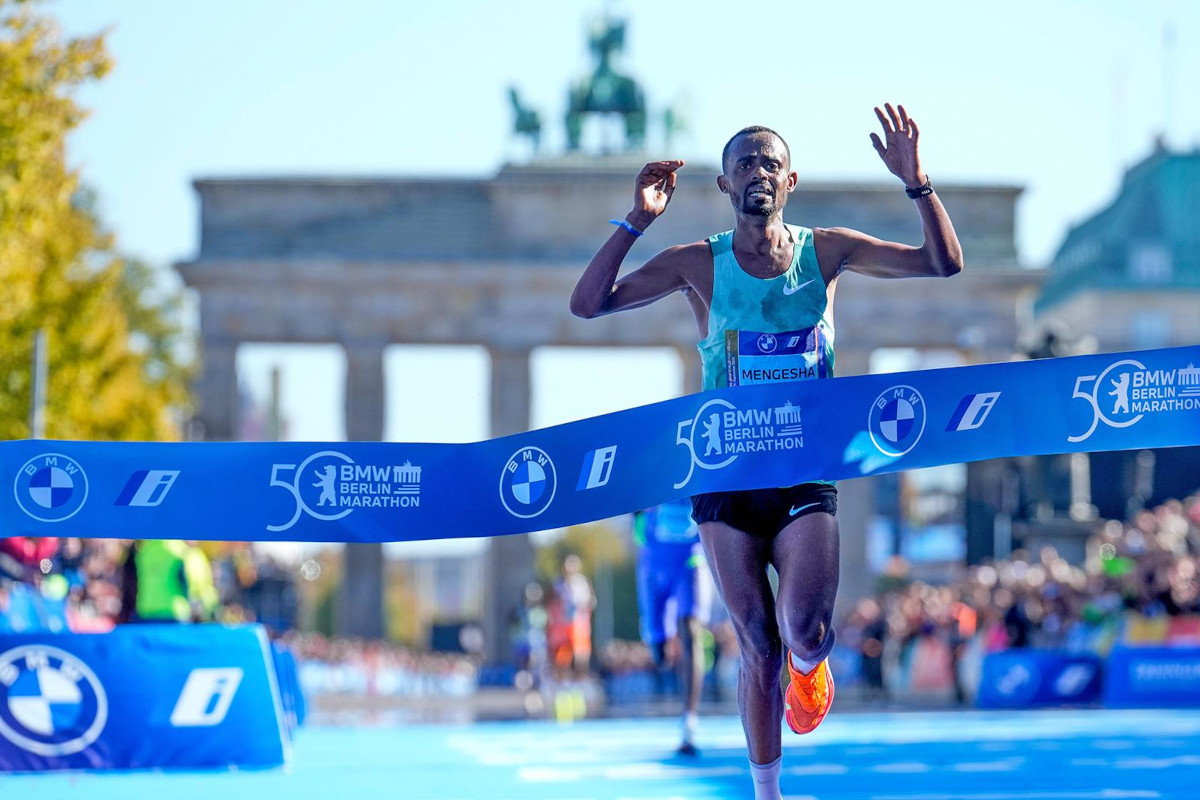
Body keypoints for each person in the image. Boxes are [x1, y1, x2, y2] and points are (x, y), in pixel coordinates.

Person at [570, 104, 963, 800]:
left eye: (771, 163)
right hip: (725, 474)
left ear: (791, 181)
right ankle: (767, 792)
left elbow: (942, 263)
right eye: (745, 164)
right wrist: (637, 220)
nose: (758, 172)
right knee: (755, 639)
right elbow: (588, 304)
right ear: (724, 185)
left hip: (803, 470)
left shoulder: (827, 251)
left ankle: (811, 668)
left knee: (804, 633)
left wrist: (918, 182)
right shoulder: (697, 263)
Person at [632, 500, 713, 756]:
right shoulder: (645, 463)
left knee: (691, 632)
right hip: (653, 565)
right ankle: (658, 640)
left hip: (689, 559)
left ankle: (690, 720)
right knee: (660, 655)